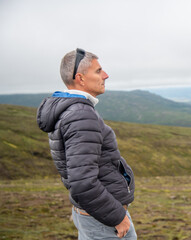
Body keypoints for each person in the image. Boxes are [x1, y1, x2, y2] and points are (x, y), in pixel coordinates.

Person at [37, 48, 137, 239]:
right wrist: (117, 217)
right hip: (104, 220)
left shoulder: (72, 111)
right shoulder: (81, 115)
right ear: (81, 79)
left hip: (95, 214)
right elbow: (82, 182)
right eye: (98, 71)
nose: (106, 75)